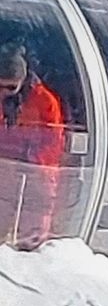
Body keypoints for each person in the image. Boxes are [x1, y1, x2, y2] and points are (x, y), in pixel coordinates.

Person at [0, 42, 67, 250]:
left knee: (33, 219)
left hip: (33, 171)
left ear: (22, 80)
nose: (4, 93)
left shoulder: (44, 101)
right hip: (4, 169)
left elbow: (53, 140)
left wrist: (33, 163)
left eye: (10, 87)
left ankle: (29, 257)